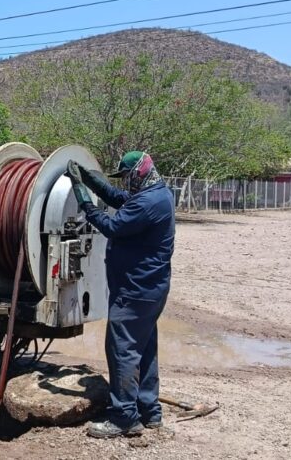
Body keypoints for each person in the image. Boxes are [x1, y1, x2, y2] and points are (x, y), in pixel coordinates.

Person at [65, 151, 175, 438]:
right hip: (151, 289)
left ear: (139, 173)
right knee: (145, 349)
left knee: (122, 350)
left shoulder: (147, 202)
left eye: (127, 177)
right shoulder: (157, 193)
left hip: (134, 290)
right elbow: (118, 198)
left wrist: (83, 198)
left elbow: (111, 226)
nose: (125, 183)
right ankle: (149, 411)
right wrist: (91, 180)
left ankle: (124, 417)